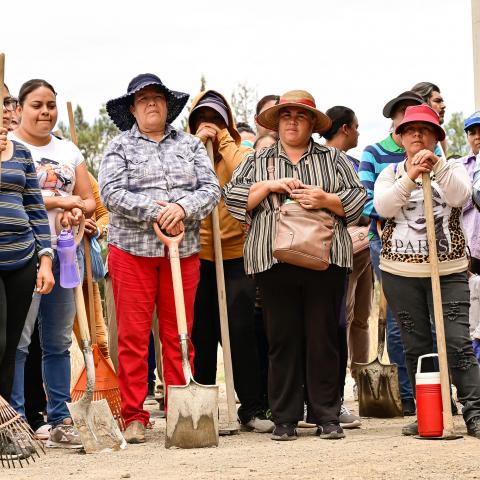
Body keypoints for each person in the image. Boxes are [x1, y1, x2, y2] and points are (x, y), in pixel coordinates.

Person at [224, 90, 367, 441]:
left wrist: (325, 199)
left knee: (323, 339)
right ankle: (285, 417)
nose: (292, 121)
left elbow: (358, 200)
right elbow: (232, 199)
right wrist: (269, 185)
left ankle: (327, 416)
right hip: (273, 260)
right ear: (278, 121)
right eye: (286, 115)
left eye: (300, 116)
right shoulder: (258, 160)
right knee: (281, 339)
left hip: (327, 259)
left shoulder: (333, 159)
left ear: (311, 123)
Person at [99, 73, 220, 444]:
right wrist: (157, 211)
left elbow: (211, 188)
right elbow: (110, 192)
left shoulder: (190, 145)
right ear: (133, 109)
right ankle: (134, 415)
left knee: (179, 333)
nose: (152, 104)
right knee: (133, 336)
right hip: (132, 252)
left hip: (182, 252)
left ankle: (179, 408)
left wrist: (181, 208)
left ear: (168, 106)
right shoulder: (118, 147)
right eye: (143, 99)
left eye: (158, 98)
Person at [374, 104, 480, 438]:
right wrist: (410, 176)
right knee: (415, 345)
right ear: (400, 137)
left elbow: (461, 197)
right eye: (411, 130)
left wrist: (436, 167)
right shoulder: (389, 174)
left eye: (425, 129)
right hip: (399, 272)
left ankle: (475, 412)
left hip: (448, 269)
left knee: (457, 341)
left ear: (437, 136)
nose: (417, 135)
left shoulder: (454, 169)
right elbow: (384, 206)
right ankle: (431, 412)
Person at [10, 78, 96, 449]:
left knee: (58, 340)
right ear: (20, 110)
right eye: (36, 105)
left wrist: (75, 208)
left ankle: (59, 418)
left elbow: (90, 199)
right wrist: (60, 202)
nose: (45, 112)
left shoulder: (69, 150)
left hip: (64, 252)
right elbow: (17, 197)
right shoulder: (9, 147)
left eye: (50, 105)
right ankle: (17, 420)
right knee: (20, 340)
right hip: (22, 253)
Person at [188, 90, 273, 433]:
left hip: (236, 254)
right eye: (202, 119)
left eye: (216, 118)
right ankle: (204, 408)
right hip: (199, 254)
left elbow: (246, 175)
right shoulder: (186, 151)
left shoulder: (240, 151)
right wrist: (196, 145)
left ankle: (251, 408)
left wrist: (223, 139)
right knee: (203, 333)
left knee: (240, 331)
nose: (209, 124)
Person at [359, 91, 424, 416]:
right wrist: (398, 203)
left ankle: (432, 388)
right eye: (407, 121)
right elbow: (366, 202)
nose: (414, 130)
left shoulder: (433, 152)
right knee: (400, 318)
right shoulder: (373, 154)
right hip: (385, 244)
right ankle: (408, 394)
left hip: (428, 249)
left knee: (427, 317)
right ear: (396, 123)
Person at [0, 84, 54, 409]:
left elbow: (35, 207)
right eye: (1, 103)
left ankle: (3, 428)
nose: (7, 109)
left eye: (8, 103)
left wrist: (44, 259)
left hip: (22, 259)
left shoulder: (21, 153)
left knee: (10, 351)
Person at [324, 106, 372, 429]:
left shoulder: (354, 163)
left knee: (360, 318)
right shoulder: (321, 162)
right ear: (344, 128)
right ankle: (331, 397)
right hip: (333, 253)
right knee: (338, 320)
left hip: (363, 249)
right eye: (355, 127)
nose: (358, 133)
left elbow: (363, 207)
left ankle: (360, 383)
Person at [461, 112, 480, 275]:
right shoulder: (460, 167)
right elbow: (455, 203)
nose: (477, 137)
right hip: (472, 248)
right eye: (472, 133)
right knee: (474, 297)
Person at [411, 82, 447, 153]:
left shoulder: (441, 137)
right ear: (422, 103)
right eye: (437, 101)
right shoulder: (406, 139)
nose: (443, 106)